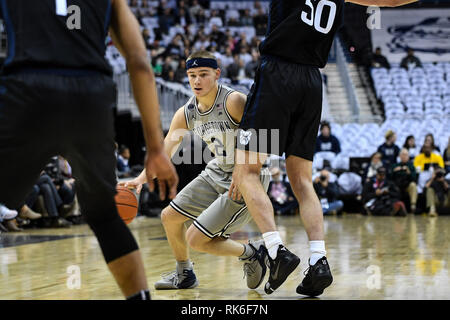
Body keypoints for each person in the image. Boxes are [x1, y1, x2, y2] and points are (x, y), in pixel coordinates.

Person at [231, 0, 417, 297]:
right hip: (312, 82)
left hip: (278, 74)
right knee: (303, 180)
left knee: (247, 172)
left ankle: (276, 251)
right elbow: (391, 1)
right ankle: (318, 260)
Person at [0, 0, 178, 300]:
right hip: (89, 97)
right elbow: (139, 63)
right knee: (106, 216)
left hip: (28, 91)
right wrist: (156, 149)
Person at [123, 51, 270, 290]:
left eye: (203, 74)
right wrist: (141, 178)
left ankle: (252, 252)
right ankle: (185, 274)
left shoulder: (233, 101)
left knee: (197, 239)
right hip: (217, 171)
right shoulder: (187, 112)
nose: (197, 81)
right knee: (169, 217)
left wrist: (245, 171)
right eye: (192, 75)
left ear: (217, 74)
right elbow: (165, 150)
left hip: (247, 177)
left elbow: (263, 135)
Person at [391, 148, 418, 213]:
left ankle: (413, 206)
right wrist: (394, 171)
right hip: (397, 185)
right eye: (402, 155)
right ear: (399, 156)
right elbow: (390, 178)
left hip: (407, 185)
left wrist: (409, 172)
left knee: (413, 185)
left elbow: (414, 179)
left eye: (406, 155)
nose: (404, 156)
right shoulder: (395, 165)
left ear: (408, 156)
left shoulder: (411, 166)